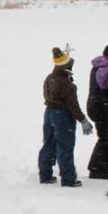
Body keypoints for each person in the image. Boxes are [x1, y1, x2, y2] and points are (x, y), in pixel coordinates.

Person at [40, 47, 94, 187]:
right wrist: (83, 120)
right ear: (66, 66)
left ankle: (45, 175)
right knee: (65, 147)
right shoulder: (66, 83)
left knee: (49, 145)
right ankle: (68, 178)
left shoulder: (49, 78)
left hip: (49, 114)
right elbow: (73, 105)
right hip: (62, 116)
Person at [85, 44, 108, 179]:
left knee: (104, 136)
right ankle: (97, 168)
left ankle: (104, 167)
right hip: (106, 107)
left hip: (93, 105)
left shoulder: (95, 67)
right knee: (107, 137)